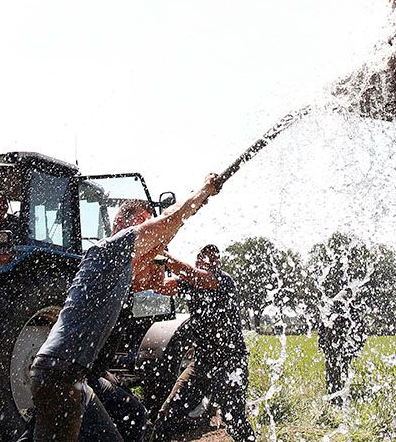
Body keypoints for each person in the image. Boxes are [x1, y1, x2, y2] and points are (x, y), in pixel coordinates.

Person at [24, 175, 220, 442]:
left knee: (134, 418)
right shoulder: (107, 250)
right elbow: (165, 224)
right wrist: (200, 194)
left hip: (76, 377)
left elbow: (157, 258)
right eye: (143, 223)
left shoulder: (120, 270)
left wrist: (189, 217)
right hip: (61, 375)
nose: (147, 231)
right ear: (120, 222)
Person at [152, 245, 256, 442]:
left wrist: (162, 255)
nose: (207, 261)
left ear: (218, 263)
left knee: (234, 420)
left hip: (229, 362)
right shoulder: (190, 283)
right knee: (167, 415)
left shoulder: (223, 280)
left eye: (212, 258)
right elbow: (160, 287)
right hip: (202, 362)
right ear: (197, 260)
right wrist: (156, 263)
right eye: (202, 257)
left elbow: (194, 275)